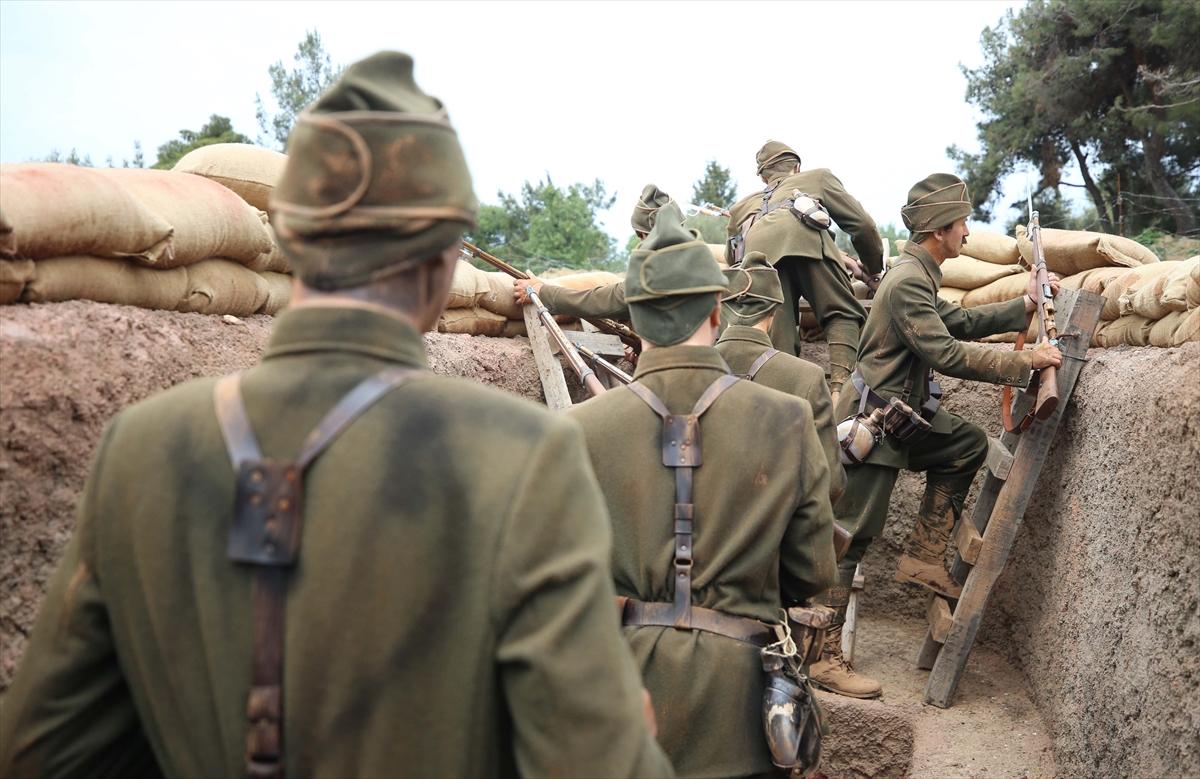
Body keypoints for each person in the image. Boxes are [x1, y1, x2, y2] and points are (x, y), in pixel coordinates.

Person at [0, 52, 672, 779]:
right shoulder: (523, 457)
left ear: (287, 234)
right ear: (446, 256)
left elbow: (43, 754)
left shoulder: (139, 448)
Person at [568, 203, 837, 778]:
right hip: (741, 709)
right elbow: (813, 572)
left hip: (617, 704)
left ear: (635, 318)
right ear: (717, 308)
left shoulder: (576, 431)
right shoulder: (788, 419)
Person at [820, 173, 1062, 698]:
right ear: (939, 230)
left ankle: (924, 558)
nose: (968, 232)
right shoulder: (909, 280)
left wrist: (1021, 307)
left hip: (901, 420)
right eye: (962, 223)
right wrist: (1026, 363)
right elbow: (946, 353)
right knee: (849, 538)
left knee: (966, 445)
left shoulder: (918, 276)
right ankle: (823, 658)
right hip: (874, 427)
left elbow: (953, 321)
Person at [726, 141, 883, 402]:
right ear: (797, 167)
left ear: (764, 177)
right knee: (841, 313)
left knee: (779, 335)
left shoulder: (740, 208)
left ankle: (786, 403)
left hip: (760, 263)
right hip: (807, 244)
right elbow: (862, 226)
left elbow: (734, 262)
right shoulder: (818, 178)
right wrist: (874, 267)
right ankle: (839, 395)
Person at [715, 250, 845, 502]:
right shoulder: (806, 378)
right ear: (774, 313)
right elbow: (831, 485)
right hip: (776, 536)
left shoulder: (687, 372)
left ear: (723, 310)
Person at [511, 183, 671, 319]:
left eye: (641, 236)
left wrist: (541, 291)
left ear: (645, 234)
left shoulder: (658, 270)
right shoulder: (693, 259)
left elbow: (600, 301)